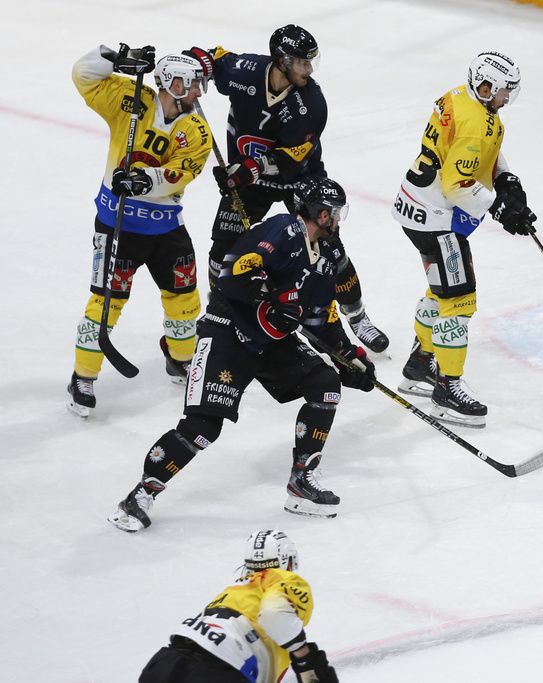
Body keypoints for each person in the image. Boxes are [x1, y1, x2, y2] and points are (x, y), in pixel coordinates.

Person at [108, 176, 376, 533]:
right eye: (335, 213)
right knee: (202, 428)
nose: (339, 220)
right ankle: (139, 496)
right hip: (227, 334)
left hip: (271, 343)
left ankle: (301, 481)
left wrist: (349, 358)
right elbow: (231, 272)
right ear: (320, 214)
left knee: (325, 381)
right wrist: (265, 301)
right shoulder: (281, 230)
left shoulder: (326, 256)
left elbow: (320, 320)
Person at [185, 25, 389, 355]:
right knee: (222, 251)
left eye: (311, 62)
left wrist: (247, 169)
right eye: (301, 63)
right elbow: (215, 61)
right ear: (281, 61)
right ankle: (224, 319)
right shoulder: (247, 72)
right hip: (248, 180)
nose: (308, 70)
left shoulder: (311, 103)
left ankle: (356, 316)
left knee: (328, 245)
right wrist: (198, 63)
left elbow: (292, 158)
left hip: (299, 178)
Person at [391, 51, 538, 429]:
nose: (507, 99)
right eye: (505, 91)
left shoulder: (461, 97)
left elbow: (478, 144)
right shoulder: (476, 118)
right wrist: (499, 208)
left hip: (419, 206)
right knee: (459, 298)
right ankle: (447, 386)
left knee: (442, 290)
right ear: (485, 86)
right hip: (436, 218)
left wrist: (504, 177)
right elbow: (458, 184)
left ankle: (420, 363)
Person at [67, 44, 214, 418]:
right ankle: (83, 377)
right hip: (118, 224)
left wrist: (142, 180)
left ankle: (180, 358)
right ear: (170, 82)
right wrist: (114, 58)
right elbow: (83, 76)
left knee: (183, 298)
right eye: (193, 83)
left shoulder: (196, 129)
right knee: (106, 301)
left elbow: (183, 171)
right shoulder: (131, 99)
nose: (199, 91)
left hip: (166, 229)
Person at [138, 529, 339, 683]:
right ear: (287, 560)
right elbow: (273, 613)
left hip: (164, 662)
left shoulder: (232, 590)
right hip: (218, 669)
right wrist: (305, 657)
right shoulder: (284, 579)